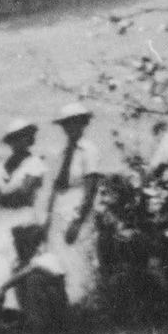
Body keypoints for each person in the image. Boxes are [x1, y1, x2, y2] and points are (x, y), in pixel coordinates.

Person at [0, 120, 47, 309]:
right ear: (11, 141)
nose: (21, 141)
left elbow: (25, 194)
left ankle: (17, 308)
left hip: (24, 218)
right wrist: (10, 195)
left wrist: (3, 195)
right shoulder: (1, 167)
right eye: (16, 138)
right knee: (0, 257)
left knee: (20, 258)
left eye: (25, 137)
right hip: (4, 220)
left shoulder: (35, 163)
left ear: (30, 140)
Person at [42, 102, 103, 304]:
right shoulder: (60, 152)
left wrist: (78, 221)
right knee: (56, 257)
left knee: (77, 256)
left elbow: (91, 188)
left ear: (83, 124)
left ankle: (80, 304)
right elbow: (54, 187)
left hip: (77, 207)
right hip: (60, 207)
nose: (71, 128)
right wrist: (47, 218)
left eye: (75, 123)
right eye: (67, 125)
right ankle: (59, 306)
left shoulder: (89, 151)